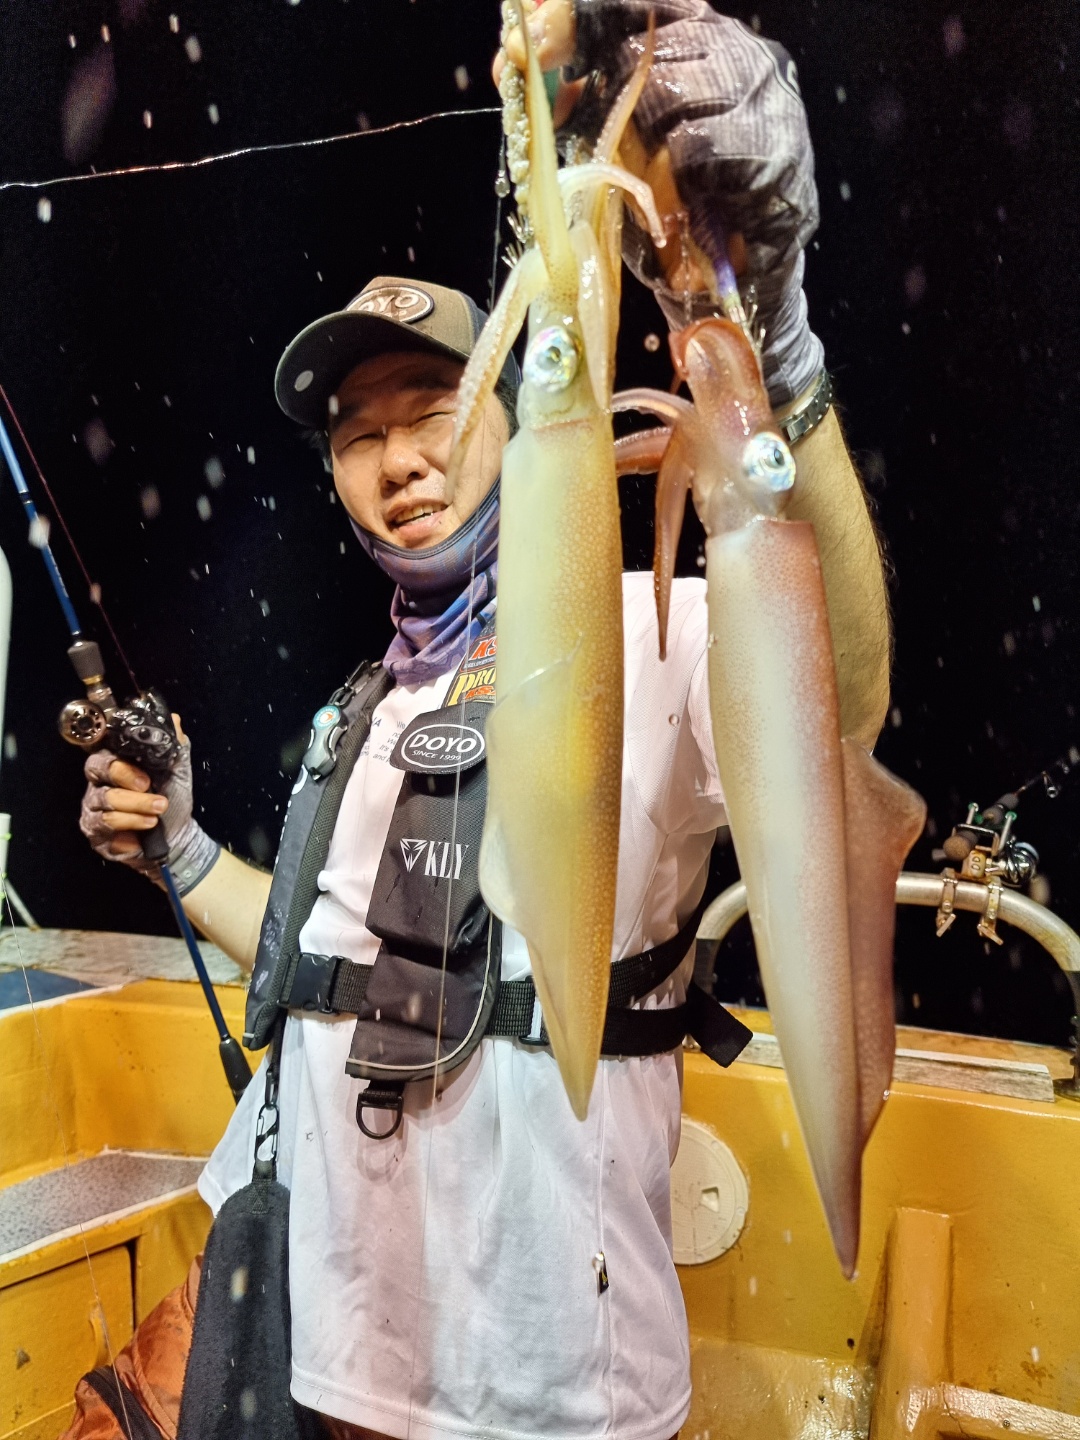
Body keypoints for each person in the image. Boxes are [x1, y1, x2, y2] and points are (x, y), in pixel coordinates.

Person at [68, 3, 889, 1437]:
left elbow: (847, 696)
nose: (400, 457)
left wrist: (777, 341)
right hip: (327, 1357)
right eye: (358, 434)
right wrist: (183, 854)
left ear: (512, 413)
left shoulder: (649, 631)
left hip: (551, 1384)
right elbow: (332, 965)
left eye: (434, 404)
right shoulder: (361, 711)